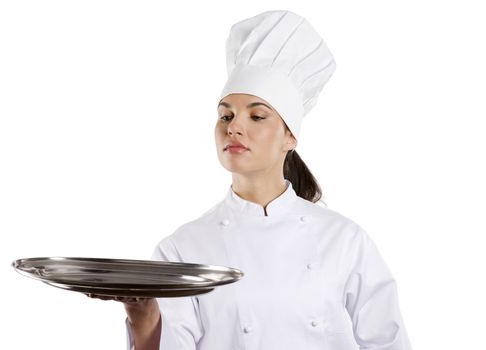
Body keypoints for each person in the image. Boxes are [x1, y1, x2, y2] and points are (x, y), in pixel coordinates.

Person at [89, 9, 413, 350]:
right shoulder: (183, 250)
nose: (234, 127)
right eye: (225, 115)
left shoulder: (344, 240)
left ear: (290, 137)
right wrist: (143, 318)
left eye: (257, 115)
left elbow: (388, 343)